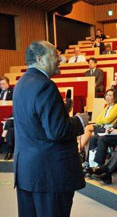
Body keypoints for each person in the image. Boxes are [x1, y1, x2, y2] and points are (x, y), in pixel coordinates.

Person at [13, 40, 89, 217]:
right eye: (54, 55)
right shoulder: (45, 86)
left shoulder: (21, 83)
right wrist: (80, 120)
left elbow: (35, 123)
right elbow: (57, 132)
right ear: (40, 59)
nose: (60, 59)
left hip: (27, 171)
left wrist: (59, 110)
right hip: (49, 174)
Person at [79, 89, 117, 153]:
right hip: (103, 127)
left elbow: (107, 120)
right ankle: (86, 156)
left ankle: (79, 149)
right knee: (89, 135)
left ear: (115, 97)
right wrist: (101, 121)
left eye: (110, 95)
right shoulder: (107, 107)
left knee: (88, 128)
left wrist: (101, 121)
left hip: (109, 129)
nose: (107, 97)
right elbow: (98, 119)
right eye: (107, 95)